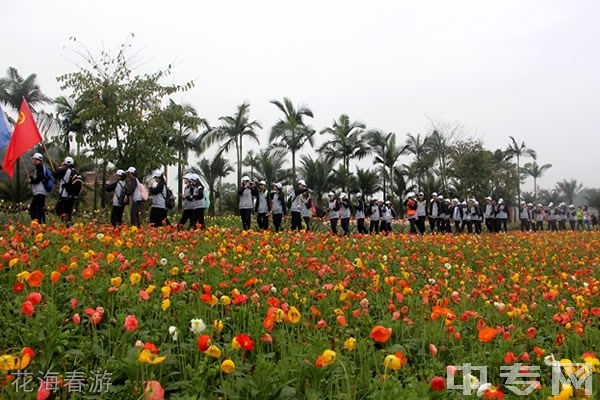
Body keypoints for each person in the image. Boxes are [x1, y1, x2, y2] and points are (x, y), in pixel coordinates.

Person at [54, 156, 76, 225]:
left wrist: (61, 167)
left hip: (64, 195)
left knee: (59, 210)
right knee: (69, 211)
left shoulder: (64, 170)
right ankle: (68, 225)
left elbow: (55, 174)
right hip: (72, 196)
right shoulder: (74, 171)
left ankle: (66, 224)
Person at [28, 153, 48, 224]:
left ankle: (37, 224)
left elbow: (40, 177)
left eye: (33, 159)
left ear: (36, 159)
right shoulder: (42, 167)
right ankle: (42, 224)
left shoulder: (39, 166)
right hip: (42, 191)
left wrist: (32, 181)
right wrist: (32, 179)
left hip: (39, 191)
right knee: (40, 209)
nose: (32, 161)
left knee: (33, 209)